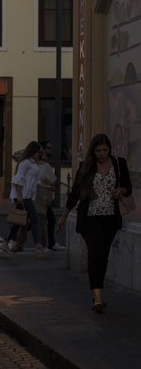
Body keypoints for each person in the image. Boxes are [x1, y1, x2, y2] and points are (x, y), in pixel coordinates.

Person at [57, 133, 132, 313]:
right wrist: (64, 215)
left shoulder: (119, 164)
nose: (101, 154)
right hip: (90, 218)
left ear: (109, 149)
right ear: (93, 150)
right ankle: (97, 297)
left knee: (103, 255)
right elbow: (75, 193)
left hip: (111, 217)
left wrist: (120, 190)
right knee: (95, 253)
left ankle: (98, 291)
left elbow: (128, 187)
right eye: (98, 150)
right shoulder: (87, 167)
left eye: (105, 150)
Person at [2, 141, 45, 255]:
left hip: (27, 196)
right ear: (33, 151)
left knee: (18, 221)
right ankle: (38, 245)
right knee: (35, 220)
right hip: (24, 197)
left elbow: (33, 180)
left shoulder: (33, 163)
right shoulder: (25, 163)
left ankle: (5, 243)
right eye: (39, 152)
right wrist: (20, 196)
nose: (40, 154)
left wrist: (46, 186)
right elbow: (18, 179)